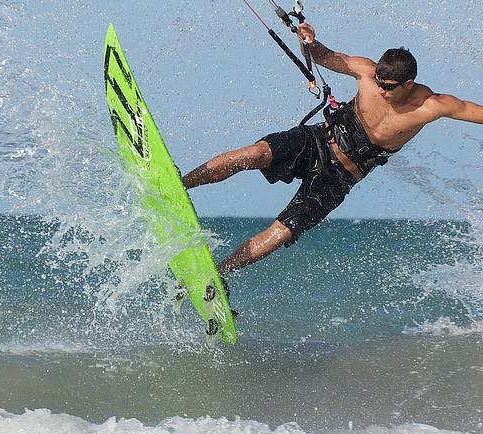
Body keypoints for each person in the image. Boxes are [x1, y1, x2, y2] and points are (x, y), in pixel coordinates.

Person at [182, 22, 483, 275]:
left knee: (283, 231)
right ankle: (181, 184)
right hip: (316, 142)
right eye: (379, 82)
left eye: (388, 86)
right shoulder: (366, 73)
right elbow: (325, 56)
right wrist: (310, 42)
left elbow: (474, 111)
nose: (380, 90)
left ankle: (217, 275)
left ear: (408, 83)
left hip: (338, 178)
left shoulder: (431, 105)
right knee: (255, 154)